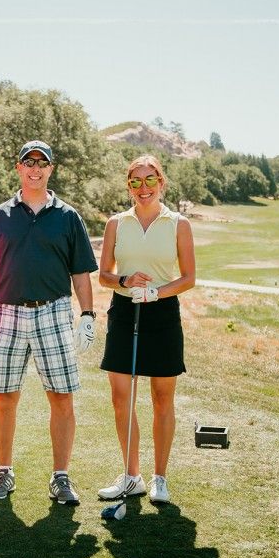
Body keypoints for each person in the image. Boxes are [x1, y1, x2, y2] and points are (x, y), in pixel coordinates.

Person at [0, 140, 98, 507]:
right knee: (5, 398)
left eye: (42, 163)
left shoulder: (68, 216)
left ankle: (61, 477)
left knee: (61, 398)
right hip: (6, 313)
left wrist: (87, 316)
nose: (35, 168)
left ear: (51, 169)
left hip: (54, 312)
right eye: (29, 162)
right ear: (18, 167)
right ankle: (4, 470)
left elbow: (81, 273)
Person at [97, 154, 195, 507]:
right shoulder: (116, 223)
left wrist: (156, 291)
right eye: (135, 182)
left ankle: (160, 478)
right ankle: (131, 475)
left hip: (163, 313)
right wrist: (124, 280)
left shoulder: (178, 223)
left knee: (161, 398)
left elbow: (189, 278)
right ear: (128, 187)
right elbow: (104, 274)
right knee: (121, 397)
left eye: (149, 180)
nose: (143, 188)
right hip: (124, 311)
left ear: (161, 182)